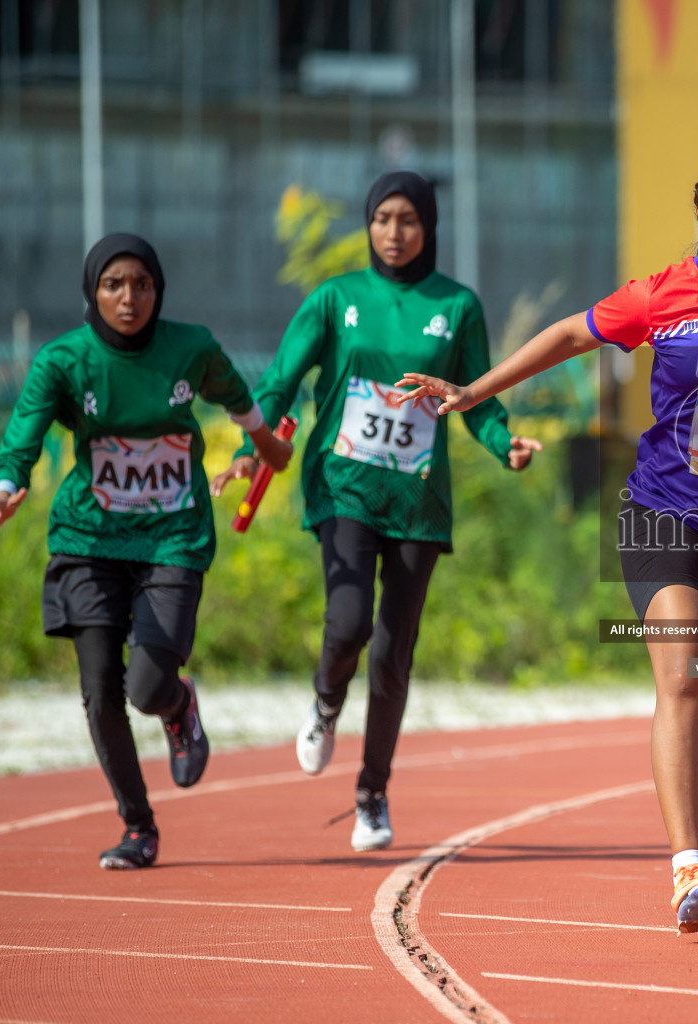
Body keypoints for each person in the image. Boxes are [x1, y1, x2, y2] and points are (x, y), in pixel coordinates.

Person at [396, 146, 698, 933]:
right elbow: (569, 334)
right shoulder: (662, 296)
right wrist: (473, 391)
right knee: (682, 679)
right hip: (671, 513)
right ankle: (684, 868)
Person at [210, 172, 540, 852]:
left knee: (393, 655)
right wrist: (254, 444)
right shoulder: (335, 299)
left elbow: (473, 397)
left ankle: (372, 794)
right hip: (343, 488)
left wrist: (507, 445)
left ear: (429, 227)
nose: (395, 232)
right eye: (383, 218)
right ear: (368, 224)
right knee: (348, 622)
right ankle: (326, 702)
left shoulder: (457, 305)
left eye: (409, 219)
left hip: (417, 501)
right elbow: (280, 382)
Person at [0, 234, 293, 869]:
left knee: (146, 686)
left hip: (172, 534)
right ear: (93, 291)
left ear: (158, 290)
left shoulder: (190, 346)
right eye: (113, 285)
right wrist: (5, 488)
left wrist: (264, 442)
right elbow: (21, 437)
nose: (128, 298)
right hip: (90, 537)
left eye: (141, 284)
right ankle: (138, 826)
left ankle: (179, 706)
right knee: (100, 691)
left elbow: (239, 397)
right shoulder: (64, 360)